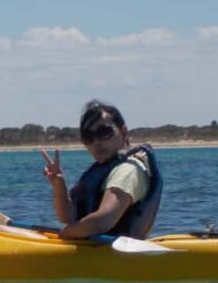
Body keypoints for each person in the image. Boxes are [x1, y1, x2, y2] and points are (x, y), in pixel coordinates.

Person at [41, 99, 162, 240]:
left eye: (104, 132)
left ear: (123, 132)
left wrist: (64, 235)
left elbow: (102, 221)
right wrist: (59, 186)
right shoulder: (107, 170)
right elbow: (68, 217)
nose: (96, 142)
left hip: (116, 256)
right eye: (88, 137)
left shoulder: (127, 171)